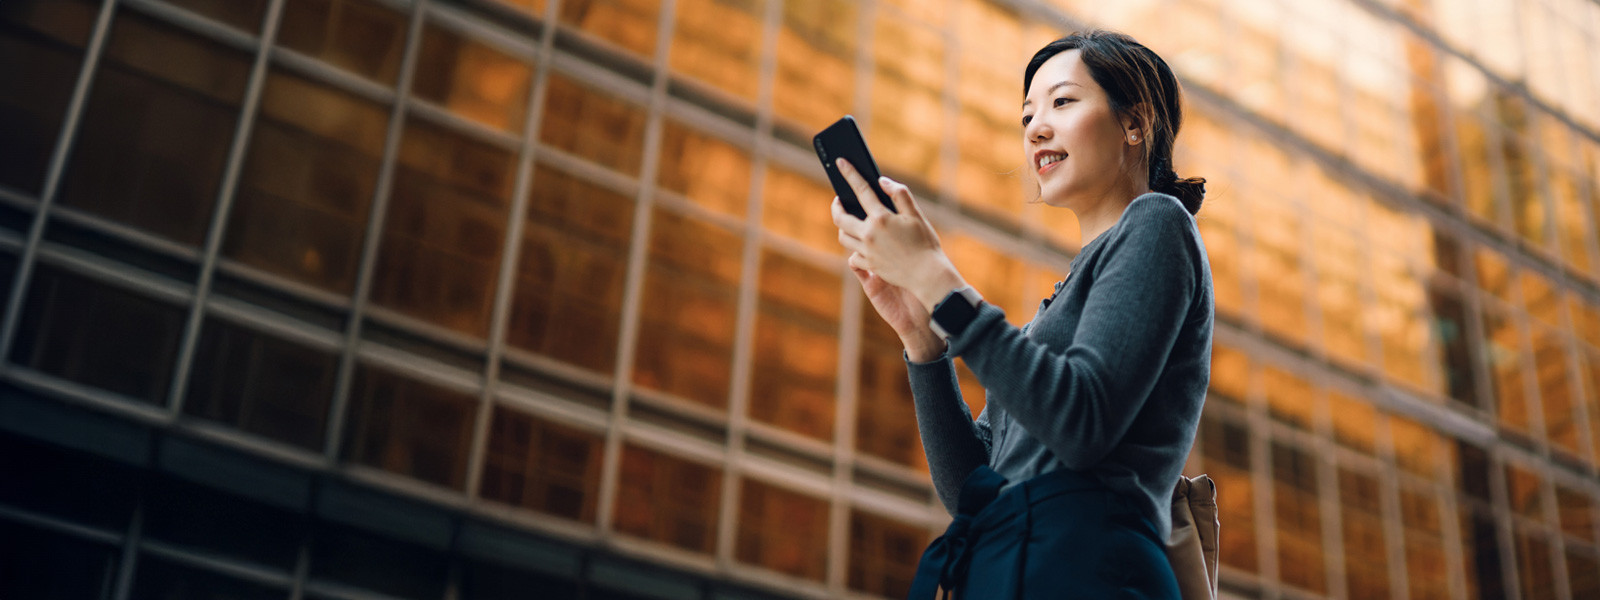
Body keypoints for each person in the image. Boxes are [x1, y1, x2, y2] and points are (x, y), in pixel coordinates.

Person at [830, 30, 1212, 599]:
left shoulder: (1158, 223)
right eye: (1027, 114)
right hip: (1012, 572)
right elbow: (974, 492)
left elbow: (1082, 423)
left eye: (1062, 102)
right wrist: (923, 343)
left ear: (1135, 123)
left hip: (1089, 570)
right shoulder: (1049, 312)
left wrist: (939, 279)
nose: (1035, 127)